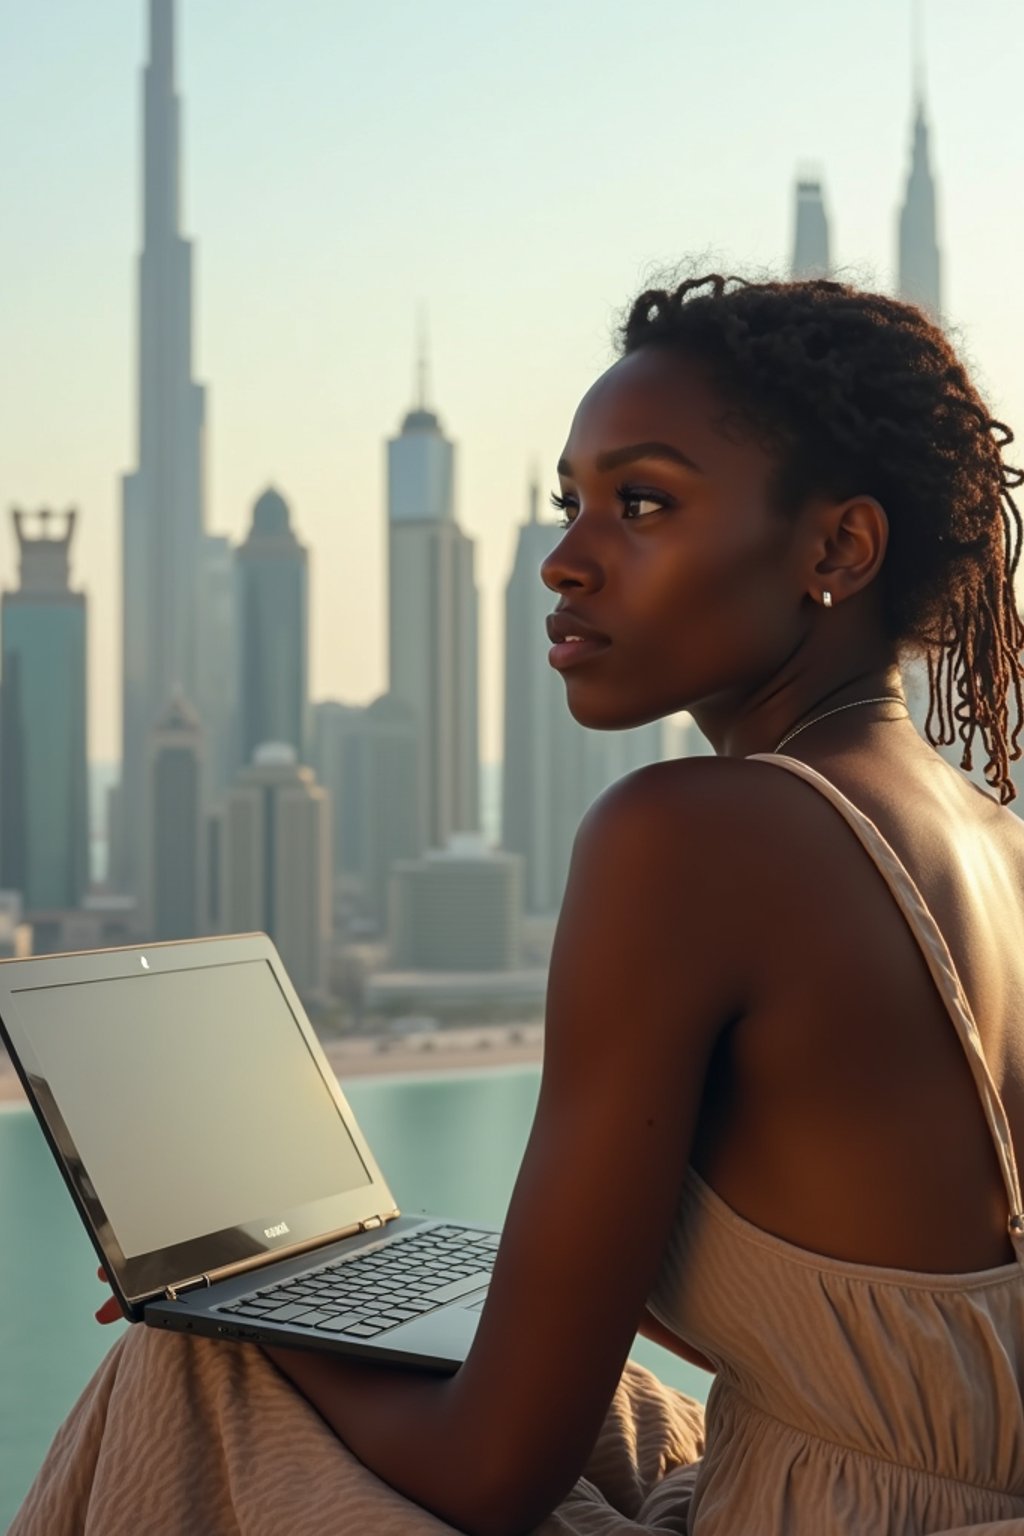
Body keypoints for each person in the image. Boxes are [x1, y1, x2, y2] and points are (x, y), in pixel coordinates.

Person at [12, 271, 1024, 1536]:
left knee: (190, 1377)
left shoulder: (692, 837)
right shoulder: (988, 832)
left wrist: (237, 1312)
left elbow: (495, 1473)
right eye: (572, 502)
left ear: (836, 548)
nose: (565, 558)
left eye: (641, 503)